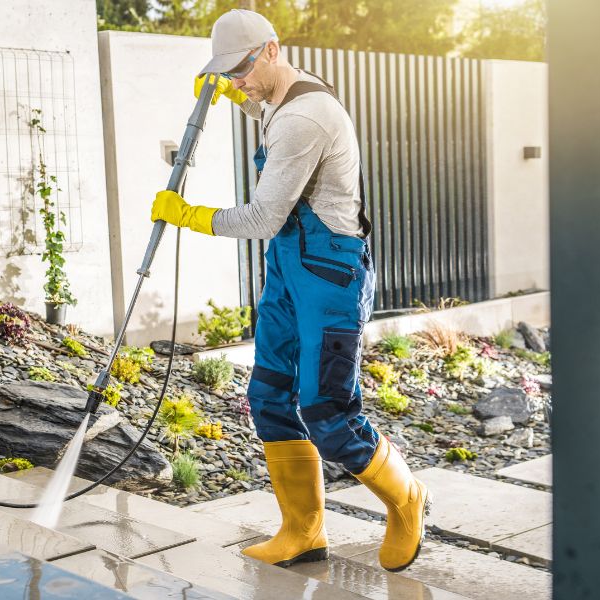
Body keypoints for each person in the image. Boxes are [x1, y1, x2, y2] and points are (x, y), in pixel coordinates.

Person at [150, 9, 430, 573]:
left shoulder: (307, 117)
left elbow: (261, 216)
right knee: (270, 395)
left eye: (242, 69)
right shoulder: (280, 99)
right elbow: (266, 106)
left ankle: (406, 500)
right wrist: (240, 99)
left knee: (326, 409)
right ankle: (303, 530)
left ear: (272, 49)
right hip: (288, 273)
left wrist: (189, 216)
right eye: (227, 73)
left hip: (330, 275)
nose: (237, 81)